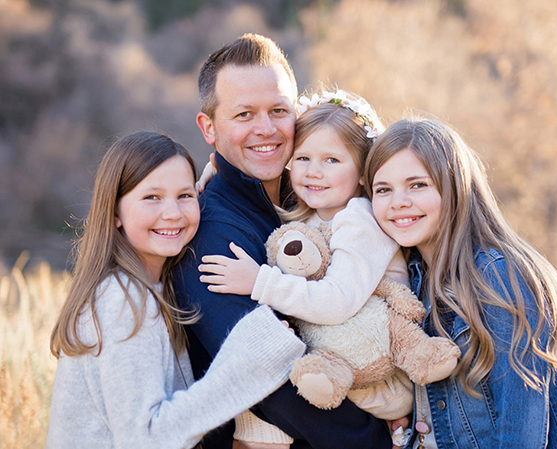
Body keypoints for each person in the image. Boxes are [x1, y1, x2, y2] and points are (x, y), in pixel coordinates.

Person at [198, 89, 458, 447]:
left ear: (364, 171)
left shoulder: (360, 219)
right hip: (341, 361)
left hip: (378, 370)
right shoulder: (314, 210)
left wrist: (260, 281)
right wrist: (214, 172)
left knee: (261, 409)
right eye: (302, 158)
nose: (314, 173)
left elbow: (336, 301)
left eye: (332, 160)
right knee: (256, 415)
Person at [172, 34, 395, 448]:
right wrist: (378, 441)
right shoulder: (210, 235)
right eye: (244, 115)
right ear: (209, 127)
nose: (266, 129)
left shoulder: (313, 195)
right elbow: (271, 377)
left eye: (279, 110)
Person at [46, 131, 306, 449]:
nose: (172, 213)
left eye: (184, 196)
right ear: (115, 212)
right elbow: (146, 439)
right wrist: (247, 361)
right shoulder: (123, 300)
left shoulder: (152, 285)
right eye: (151, 197)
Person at [363, 117, 557, 448]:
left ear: (454, 186)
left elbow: (521, 433)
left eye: (418, 185)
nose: (398, 201)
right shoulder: (412, 280)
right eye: (383, 189)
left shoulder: (499, 277)